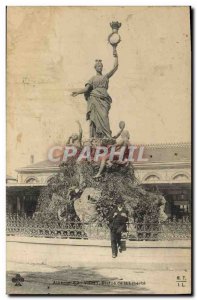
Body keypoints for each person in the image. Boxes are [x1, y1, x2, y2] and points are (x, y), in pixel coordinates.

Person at [71, 51, 119, 138]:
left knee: (104, 117)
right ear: (95, 68)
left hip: (104, 101)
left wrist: (116, 57)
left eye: (101, 66)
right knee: (96, 119)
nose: (100, 67)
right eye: (98, 66)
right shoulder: (92, 78)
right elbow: (86, 89)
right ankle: (99, 137)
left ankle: (107, 136)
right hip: (95, 100)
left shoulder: (105, 77)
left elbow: (115, 68)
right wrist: (78, 92)